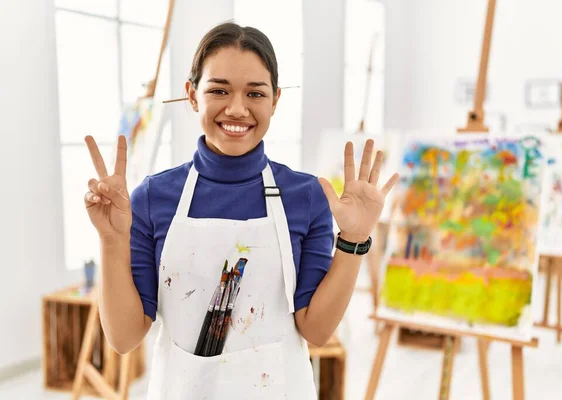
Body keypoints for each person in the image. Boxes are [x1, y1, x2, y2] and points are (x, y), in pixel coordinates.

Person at [83, 21, 398, 400]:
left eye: (255, 93)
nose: (237, 108)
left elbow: (315, 331)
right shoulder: (154, 196)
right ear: (192, 95)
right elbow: (123, 338)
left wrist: (354, 240)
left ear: (275, 100)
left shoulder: (306, 195)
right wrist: (111, 240)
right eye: (219, 90)